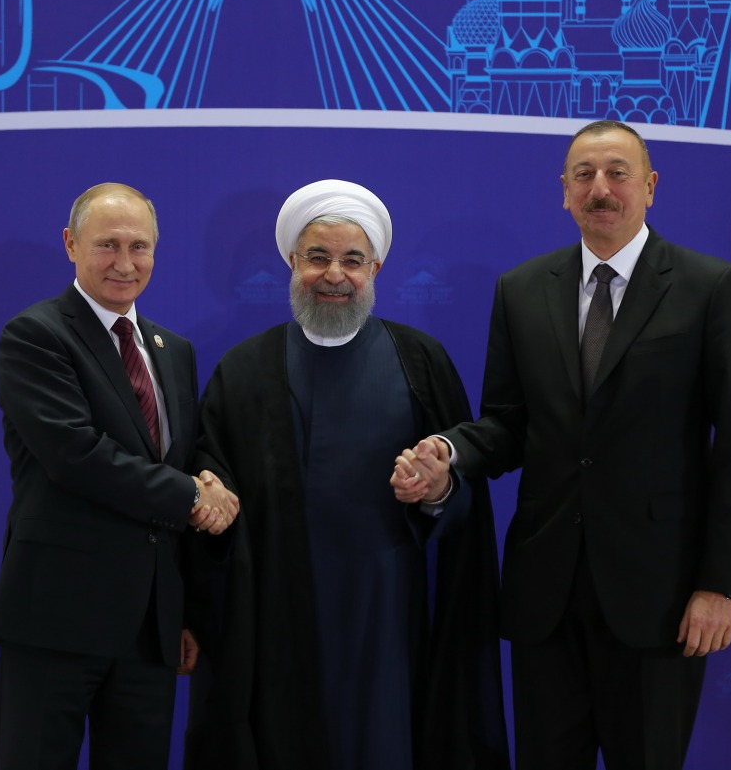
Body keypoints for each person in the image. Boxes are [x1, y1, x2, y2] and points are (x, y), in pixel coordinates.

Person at [394, 121, 731, 770]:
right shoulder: (521, 289)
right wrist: (448, 457)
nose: (601, 188)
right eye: (584, 175)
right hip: (547, 597)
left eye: (617, 173)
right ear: (563, 192)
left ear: (650, 187)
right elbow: (508, 426)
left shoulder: (712, 289)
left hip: (661, 598)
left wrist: (721, 583)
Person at [185, 180, 509, 770]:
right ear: (291, 262)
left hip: (387, 611)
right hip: (275, 612)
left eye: (352, 260)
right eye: (318, 257)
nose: (334, 274)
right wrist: (210, 489)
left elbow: (463, 496)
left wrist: (438, 490)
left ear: (376, 267)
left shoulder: (421, 360)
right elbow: (211, 473)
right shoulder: (244, 368)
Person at [0, 182, 239, 770]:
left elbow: (181, 455)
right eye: (107, 245)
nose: (126, 263)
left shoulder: (172, 349)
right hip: (56, 620)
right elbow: (77, 456)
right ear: (71, 245)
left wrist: (211, 482)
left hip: (149, 630)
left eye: (140, 247)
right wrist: (193, 494)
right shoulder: (36, 335)